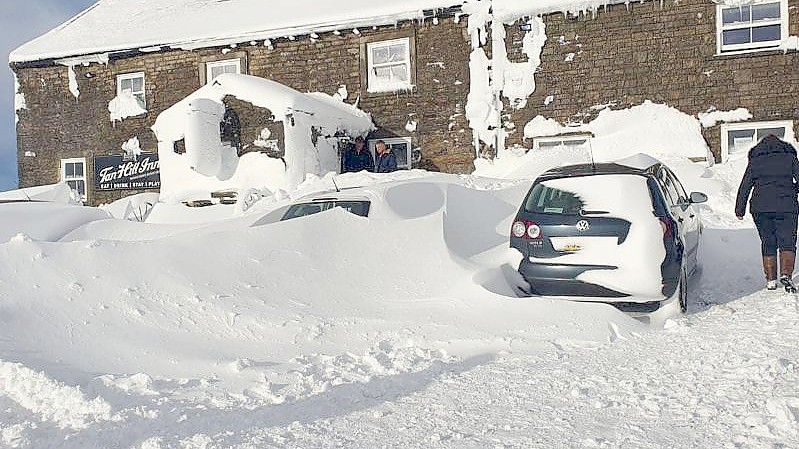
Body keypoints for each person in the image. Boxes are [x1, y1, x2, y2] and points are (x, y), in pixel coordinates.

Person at [735, 134, 799, 293]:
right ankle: (786, 274)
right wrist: (792, 191)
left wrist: (739, 209)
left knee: (768, 241)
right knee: (787, 241)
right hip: (786, 206)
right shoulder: (790, 159)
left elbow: (745, 186)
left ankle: (771, 280)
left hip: (761, 209)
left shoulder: (755, 162)